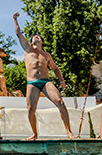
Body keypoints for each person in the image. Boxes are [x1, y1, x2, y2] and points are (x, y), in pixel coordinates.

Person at [13, 12, 76, 140]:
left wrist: (61, 80)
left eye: (38, 36)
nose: (36, 37)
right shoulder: (27, 48)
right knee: (31, 109)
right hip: (32, 83)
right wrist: (15, 19)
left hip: (46, 82)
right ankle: (35, 134)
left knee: (60, 102)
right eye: (34, 36)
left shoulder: (46, 55)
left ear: (41, 41)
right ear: (31, 41)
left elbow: (55, 69)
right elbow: (18, 33)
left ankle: (69, 132)